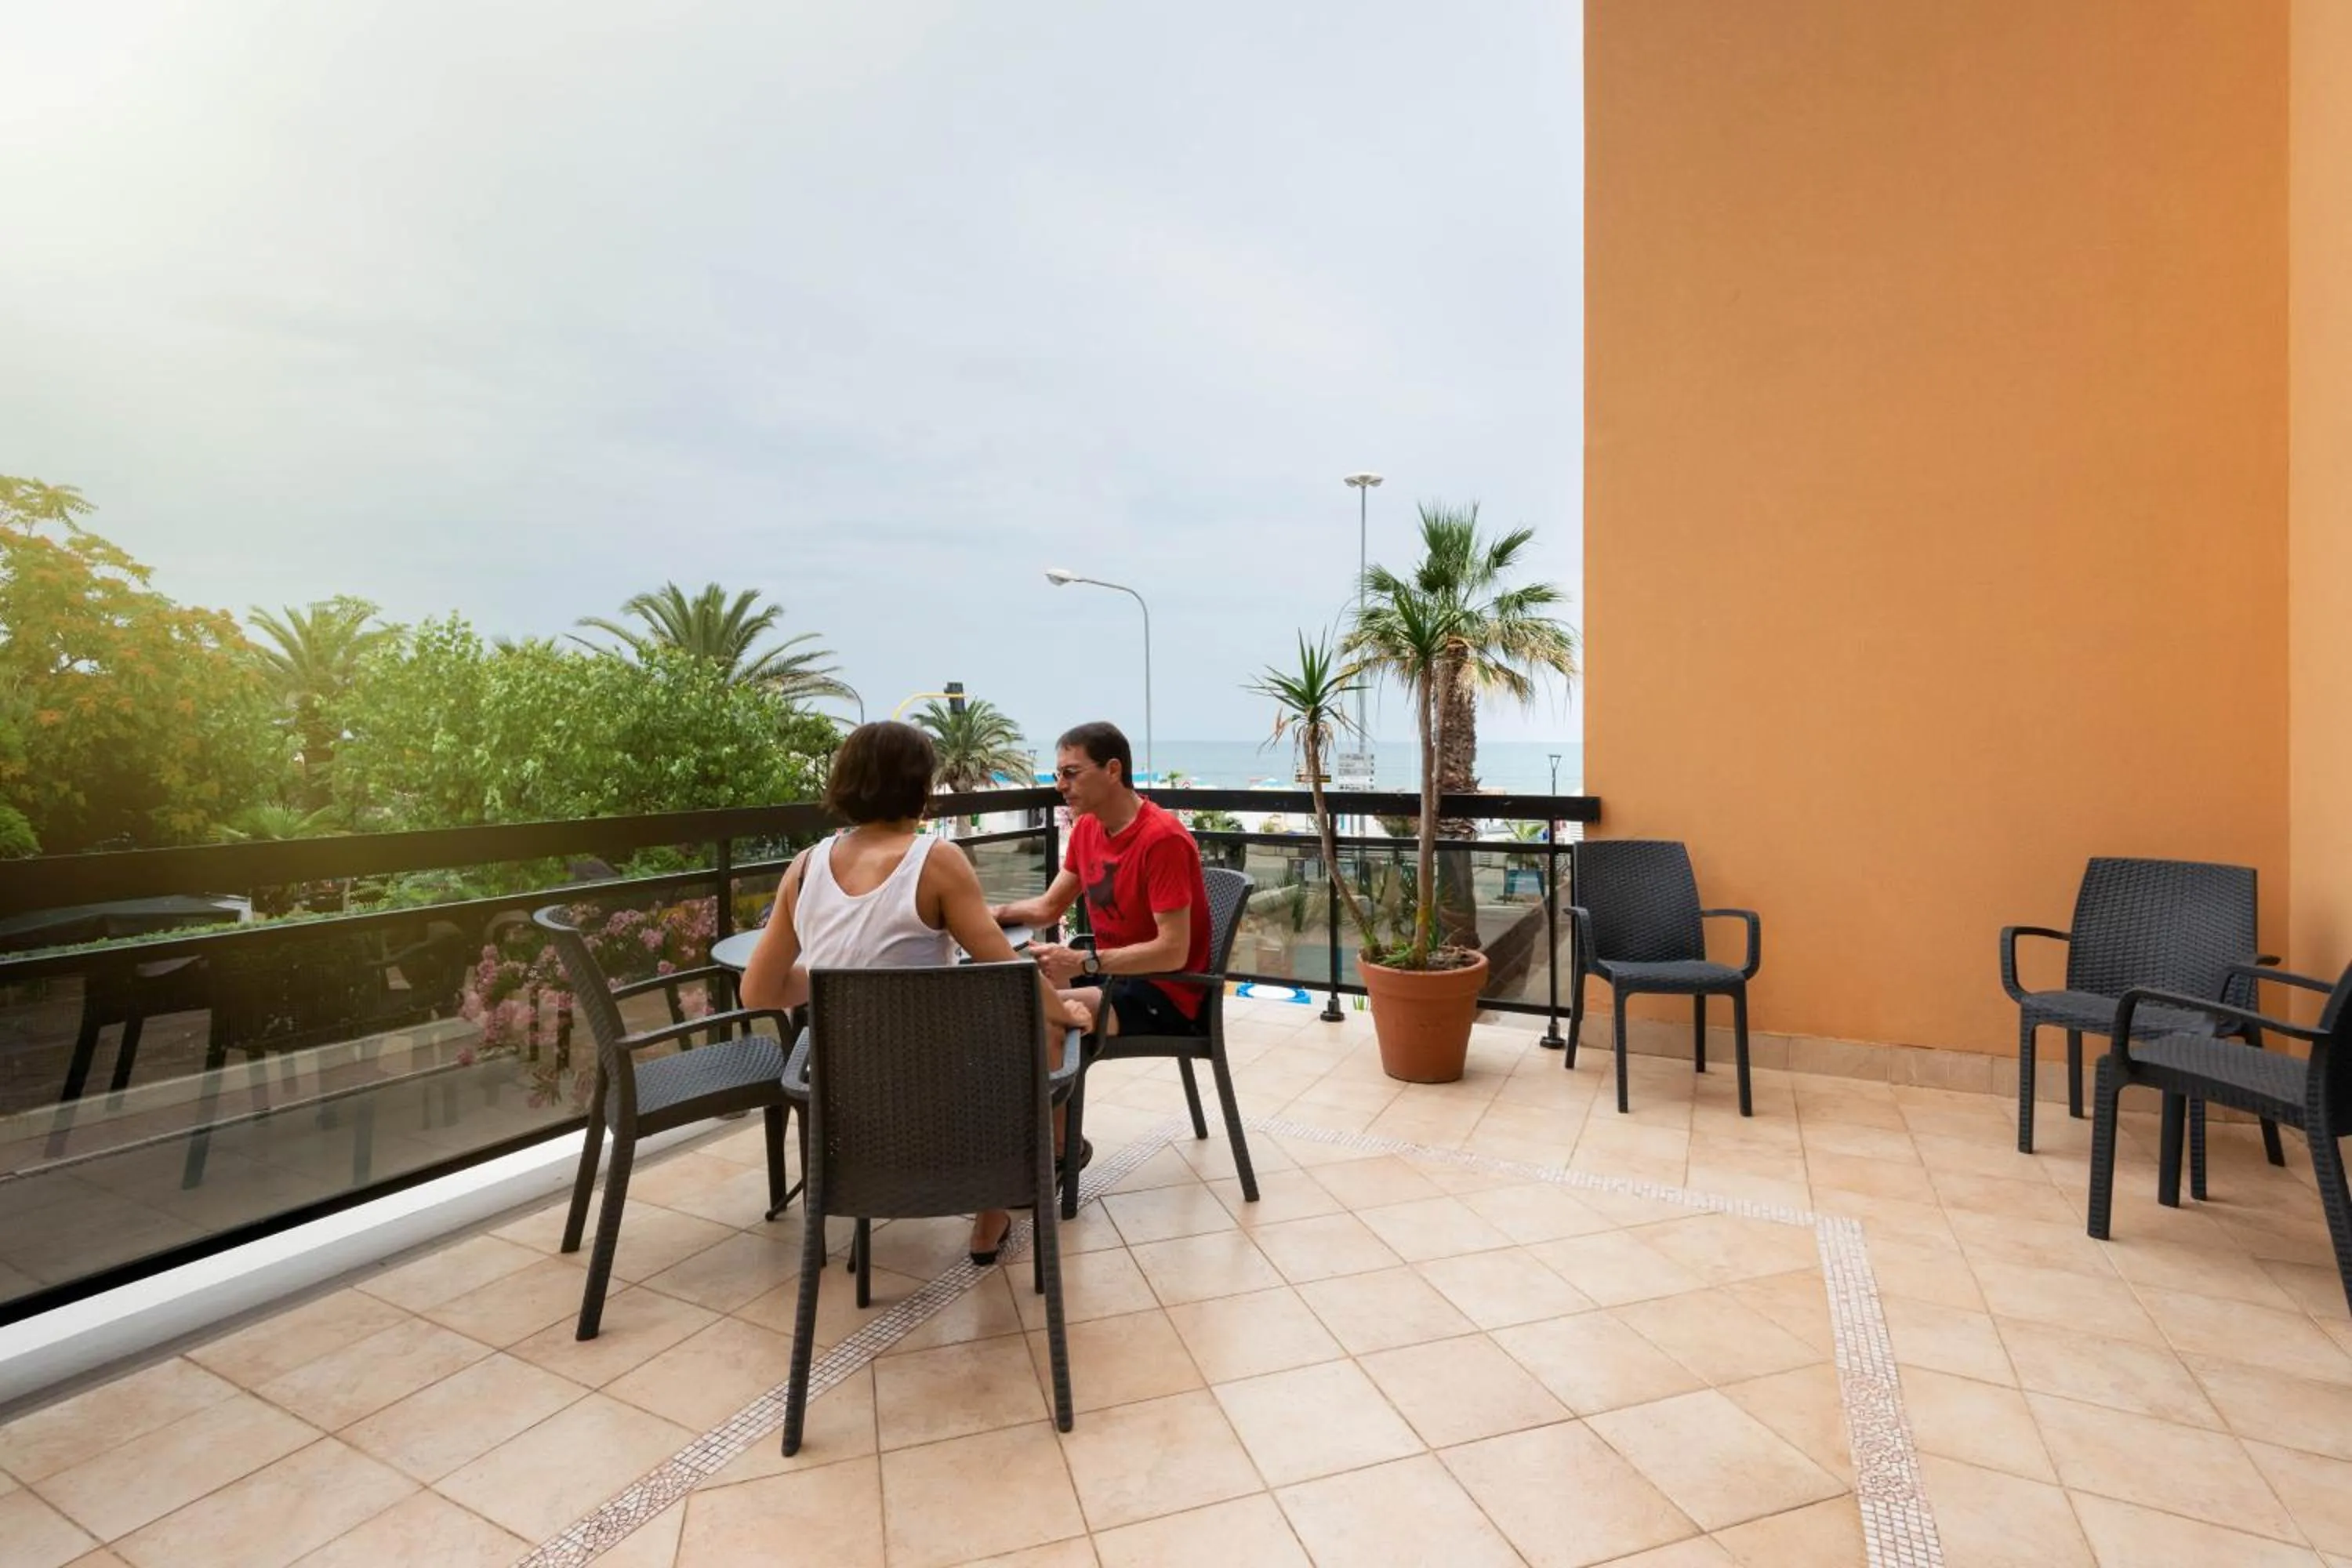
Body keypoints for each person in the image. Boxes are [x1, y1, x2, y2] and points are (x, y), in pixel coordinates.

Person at [740, 721, 1090, 1267]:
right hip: (945, 1097)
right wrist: (1063, 1014)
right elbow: (1008, 972)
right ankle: (996, 1208)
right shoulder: (935, 859)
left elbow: (758, 990)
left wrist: (833, 977)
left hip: (846, 1105)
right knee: (1030, 1039)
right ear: (920, 786)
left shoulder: (804, 867)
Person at [992, 720, 1212, 1054]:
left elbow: (1173, 951)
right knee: (1005, 995)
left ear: (1112, 770)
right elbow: (1049, 908)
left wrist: (1084, 961)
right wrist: (990, 914)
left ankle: (1045, 1089)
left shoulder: (1163, 840)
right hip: (1113, 975)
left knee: (1037, 1018)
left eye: (1071, 773)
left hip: (1165, 992)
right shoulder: (1087, 828)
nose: (1060, 786)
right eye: (1058, 775)